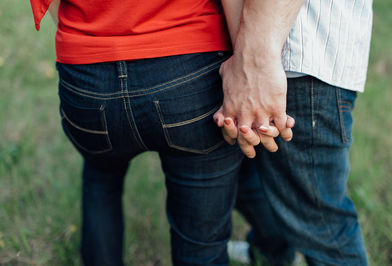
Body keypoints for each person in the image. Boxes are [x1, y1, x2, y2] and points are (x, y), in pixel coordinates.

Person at [29, 0, 295, 265]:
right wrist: (244, 67)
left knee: (100, 176)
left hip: (87, 76)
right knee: (200, 243)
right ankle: (277, 249)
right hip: (189, 66)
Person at [214, 0, 373, 265]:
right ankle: (273, 251)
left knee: (321, 222)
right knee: (246, 174)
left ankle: (278, 250)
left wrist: (250, 63)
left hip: (288, 59)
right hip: (283, 57)